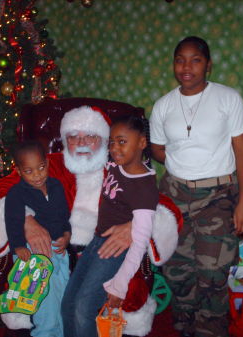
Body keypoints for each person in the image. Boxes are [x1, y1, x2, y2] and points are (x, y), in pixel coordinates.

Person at [0, 105, 180, 335]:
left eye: (91, 136)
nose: (82, 142)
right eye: (74, 137)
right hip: (56, 249)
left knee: (86, 306)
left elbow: (160, 203)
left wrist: (134, 226)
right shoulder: (47, 165)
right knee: (61, 297)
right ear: (64, 140)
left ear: (105, 140)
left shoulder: (119, 165)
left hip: (105, 250)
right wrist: (27, 220)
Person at [149, 36, 243, 337]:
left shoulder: (228, 98)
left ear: (208, 65)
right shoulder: (164, 105)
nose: (186, 66)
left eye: (195, 59)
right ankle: (184, 327)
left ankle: (211, 331)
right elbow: (157, 149)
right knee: (177, 271)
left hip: (218, 196)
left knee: (212, 273)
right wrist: (182, 158)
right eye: (180, 59)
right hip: (174, 194)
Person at [61, 115, 159, 337]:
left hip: (115, 250)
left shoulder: (143, 187)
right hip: (97, 241)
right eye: (112, 142)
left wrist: (120, 285)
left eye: (122, 142)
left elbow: (140, 241)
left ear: (142, 143)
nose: (115, 147)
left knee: (83, 308)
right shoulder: (116, 164)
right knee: (68, 303)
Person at [4, 140, 71, 337]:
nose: (37, 175)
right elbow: (13, 221)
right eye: (29, 171)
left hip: (59, 250)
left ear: (47, 164)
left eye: (41, 168)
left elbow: (64, 217)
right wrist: (17, 246)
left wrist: (67, 235)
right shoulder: (16, 194)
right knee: (44, 298)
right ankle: (45, 333)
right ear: (19, 171)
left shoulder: (56, 186)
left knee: (62, 295)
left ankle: (61, 332)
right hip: (32, 253)